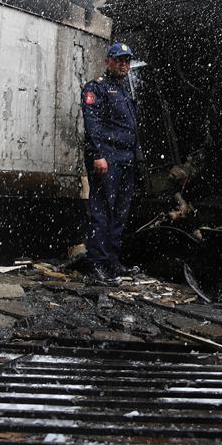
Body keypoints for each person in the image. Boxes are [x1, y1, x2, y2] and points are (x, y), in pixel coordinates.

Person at [81, 42, 141, 284]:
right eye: (119, 60)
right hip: (108, 158)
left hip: (126, 158)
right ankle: (97, 263)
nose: (124, 65)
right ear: (108, 61)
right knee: (102, 209)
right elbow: (92, 123)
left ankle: (112, 262)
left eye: (127, 61)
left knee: (120, 211)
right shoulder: (97, 87)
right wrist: (98, 155)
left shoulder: (125, 89)